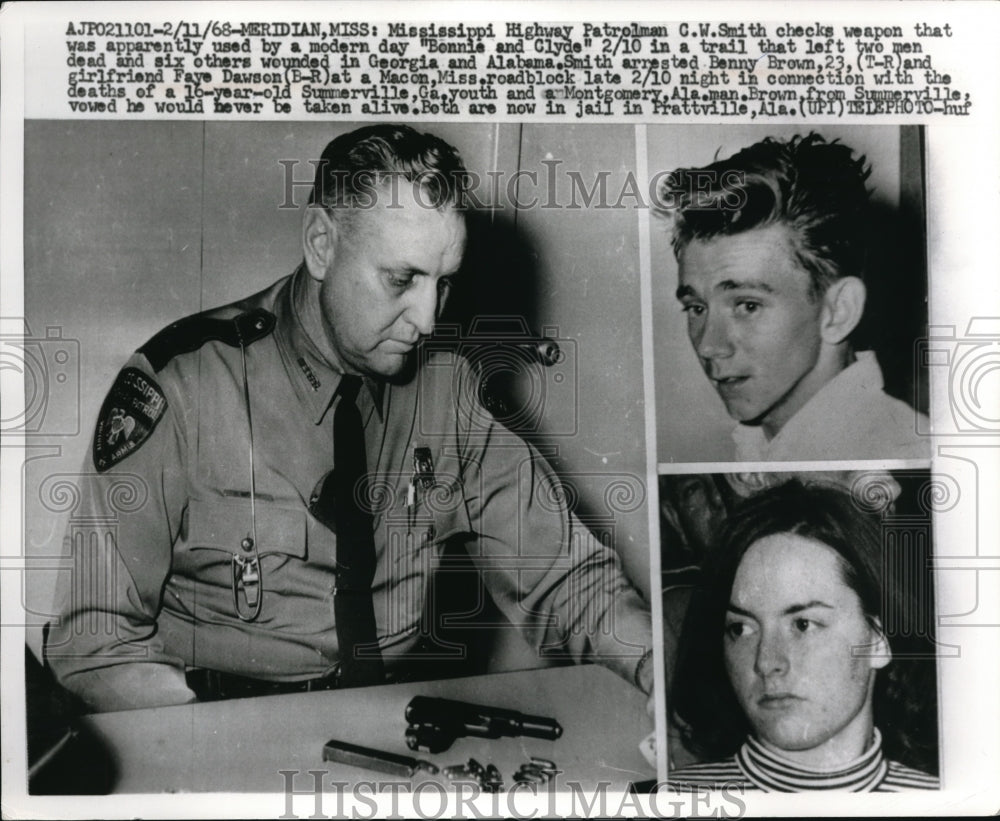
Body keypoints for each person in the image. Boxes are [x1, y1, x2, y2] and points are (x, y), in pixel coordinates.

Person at [44, 124, 654, 712]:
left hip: (388, 717)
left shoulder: (448, 392)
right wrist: (216, 741)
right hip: (215, 717)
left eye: (443, 284)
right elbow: (95, 647)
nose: (428, 320)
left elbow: (569, 580)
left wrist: (658, 667)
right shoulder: (184, 387)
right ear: (321, 244)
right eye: (401, 279)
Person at [657, 133, 929, 461]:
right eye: (697, 308)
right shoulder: (759, 448)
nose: (708, 346)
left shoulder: (905, 459)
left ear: (839, 311)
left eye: (747, 306)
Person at [667, 480, 939, 791]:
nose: (766, 662)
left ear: (878, 639)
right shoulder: (665, 801)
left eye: (803, 625)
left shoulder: (948, 803)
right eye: (741, 629)